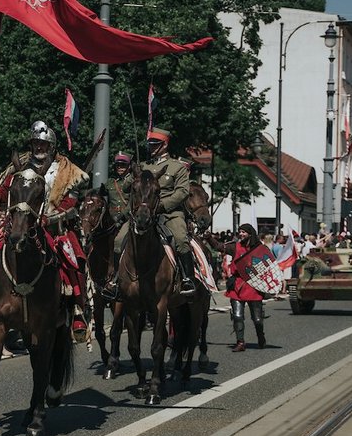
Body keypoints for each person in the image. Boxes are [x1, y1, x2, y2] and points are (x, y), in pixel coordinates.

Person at [0, 120, 91, 340]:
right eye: (35, 143)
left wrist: (49, 217)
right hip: (18, 223)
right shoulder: (19, 167)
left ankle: (77, 310)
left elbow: (71, 202)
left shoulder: (65, 169)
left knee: (72, 258)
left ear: (51, 146)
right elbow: (3, 193)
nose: (38, 148)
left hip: (53, 227)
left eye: (43, 144)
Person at [104, 127, 196, 299]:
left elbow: (182, 192)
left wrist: (162, 205)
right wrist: (134, 173)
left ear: (165, 145)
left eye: (156, 144)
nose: (152, 147)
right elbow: (126, 187)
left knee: (181, 239)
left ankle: (187, 279)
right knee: (118, 240)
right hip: (142, 214)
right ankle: (116, 281)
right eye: (150, 144)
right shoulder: (144, 165)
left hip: (168, 213)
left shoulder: (177, 167)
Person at [205, 224, 266, 352]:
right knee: (237, 316)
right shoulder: (235, 247)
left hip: (254, 286)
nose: (241, 234)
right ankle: (240, 342)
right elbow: (219, 247)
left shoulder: (259, 248)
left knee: (257, 318)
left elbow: (267, 265)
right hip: (237, 285)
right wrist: (209, 237)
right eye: (240, 232)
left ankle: (261, 336)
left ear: (250, 233)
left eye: (244, 232)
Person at [106, 152, 132, 222]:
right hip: (112, 220)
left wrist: (124, 213)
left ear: (129, 166)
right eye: (117, 164)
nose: (119, 167)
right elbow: (98, 193)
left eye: (123, 165)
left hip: (129, 219)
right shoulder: (110, 182)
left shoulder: (134, 181)